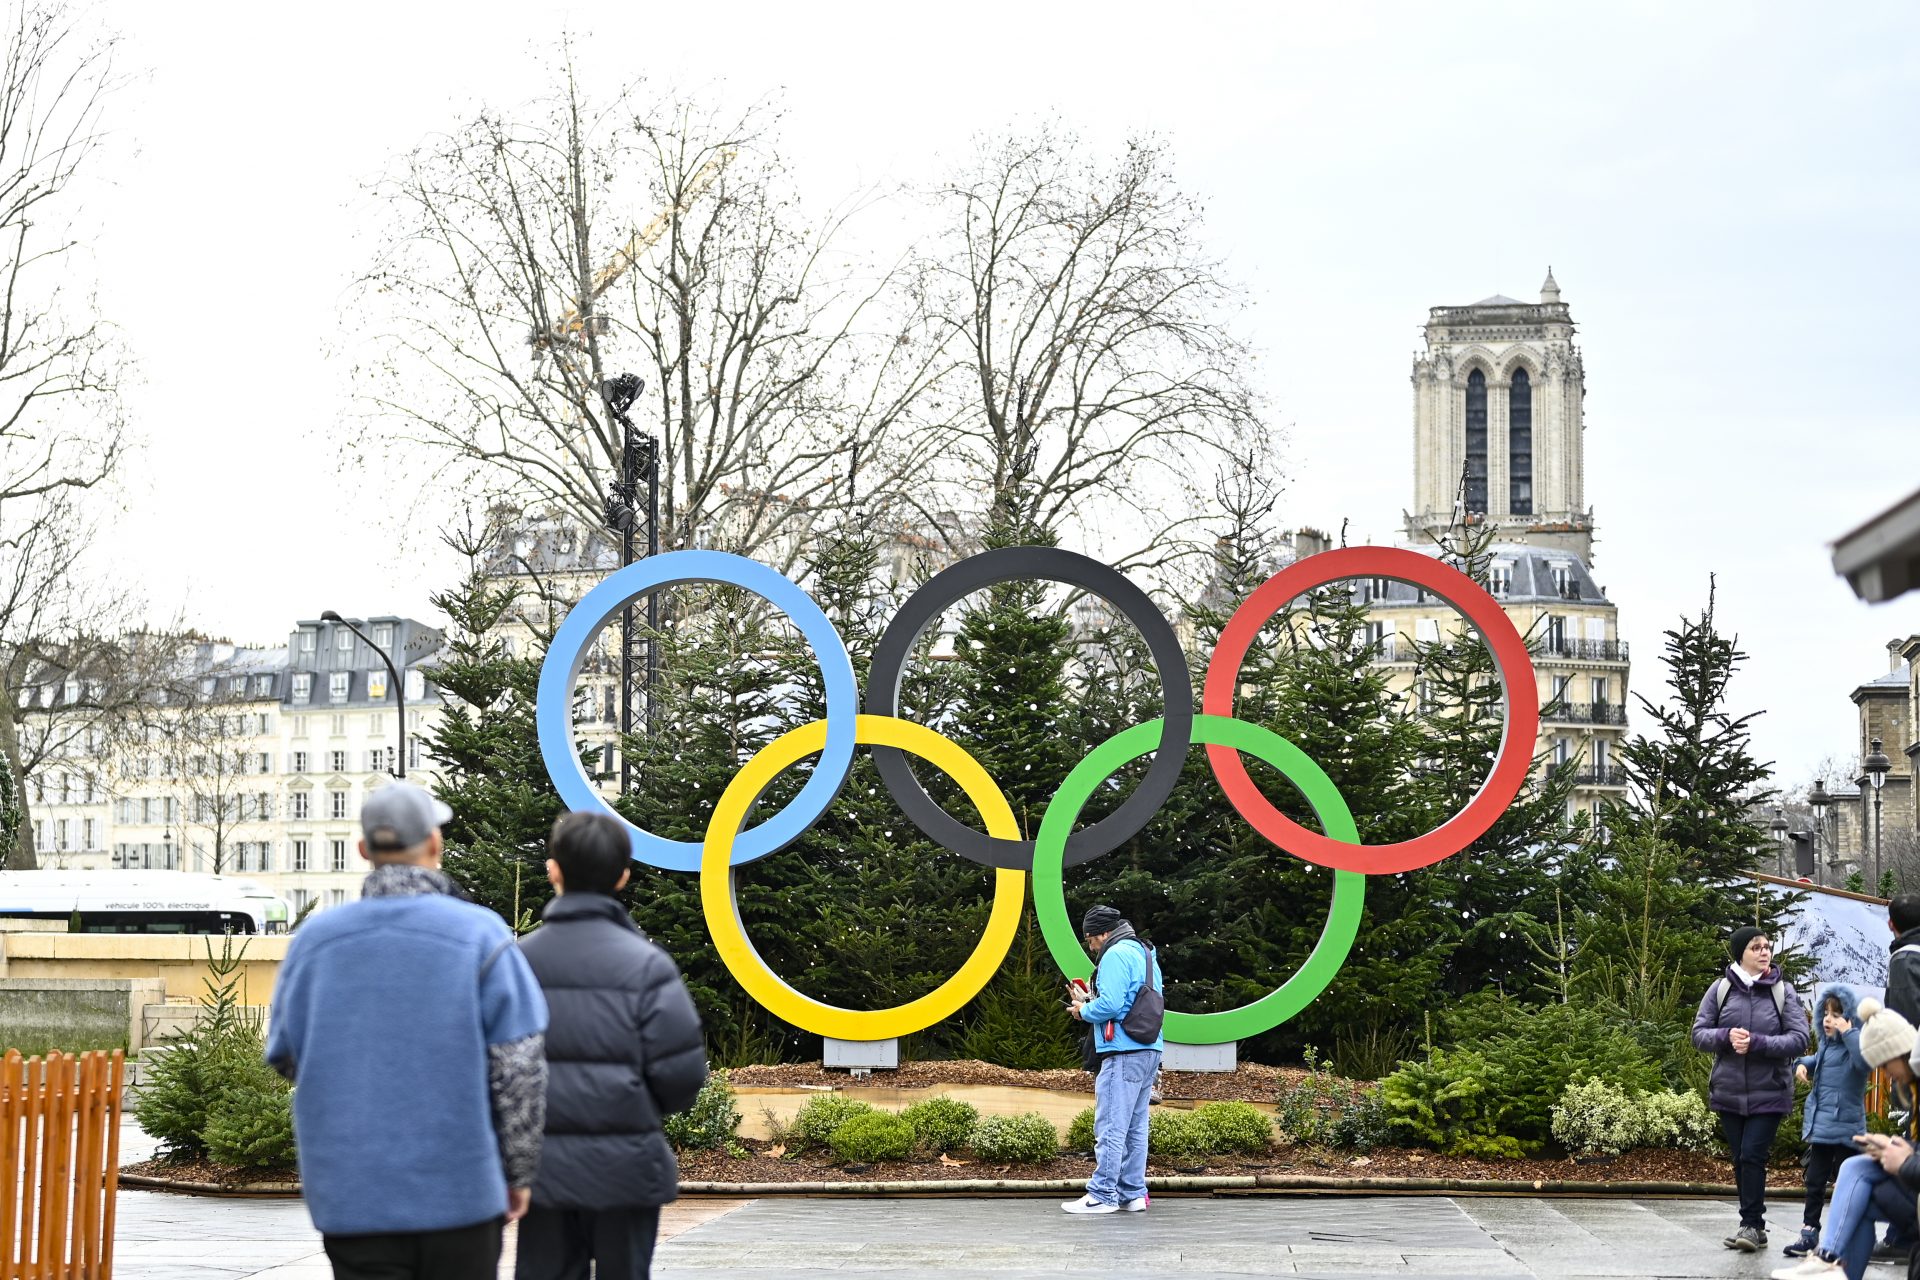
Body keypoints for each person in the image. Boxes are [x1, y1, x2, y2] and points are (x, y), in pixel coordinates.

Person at [266, 782, 549, 1280]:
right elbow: (519, 1070)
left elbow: (287, 1056)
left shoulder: (314, 943)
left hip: (352, 1195)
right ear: (435, 844)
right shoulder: (482, 935)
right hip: (460, 1193)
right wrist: (519, 1172)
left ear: (362, 851)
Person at [514, 812, 709, 1280]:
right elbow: (682, 1078)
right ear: (623, 875)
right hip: (628, 1170)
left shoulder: (516, 962)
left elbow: (491, 1069)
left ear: (553, 870)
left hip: (542, 1172)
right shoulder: (648, 966)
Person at [1770, 999, 1920, 1279]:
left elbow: (1859, 1061)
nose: (1885, 1074)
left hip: (1855, 1137)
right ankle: (1829, 1260)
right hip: (1828, 1131)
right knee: (1851, 1175)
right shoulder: (1912, 1086)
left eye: (1885, 1065)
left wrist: (1906, 1161)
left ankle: (1828, 1258)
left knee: (1854, 1182)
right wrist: (1895, 1147)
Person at [1691, 924, 1810, 1252]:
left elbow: (1800, 1039)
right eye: (1756, 947)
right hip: (1728, 1090)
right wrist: (1724, 1036)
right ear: (1740, 953)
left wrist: (1757, 1043)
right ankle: (1752, 1223)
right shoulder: (1720, 989)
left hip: (1769, 1091)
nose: (1764, 953)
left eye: (1767, 947)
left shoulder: (1782, 992)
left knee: (1752, 1155)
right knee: (1740, 1159)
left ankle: (1751, 1225)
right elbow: (1699, 1033)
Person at [1061, 904, 1164, 1216]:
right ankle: (1133, 1193)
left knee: (1110, 1125)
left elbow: (1111, 1006)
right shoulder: (1145, 954)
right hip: (1149, 1049)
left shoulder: (1115, 954)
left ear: (1104, 933)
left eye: (1092, 940)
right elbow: (1133, 999)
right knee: (1135, 1127)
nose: (1092, 947)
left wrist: (1083, 1010)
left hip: (1123, 1051)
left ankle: (1102, 1194)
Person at [1782, 986, 1869, 1257]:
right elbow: (1815, 1058)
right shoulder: (1827, 1048)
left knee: (1848, 1185)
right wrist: (1802, 1064)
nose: (1829, 1020)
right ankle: (1809, 1231)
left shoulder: (1855, 1047)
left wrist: (1849, 1032)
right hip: (1822, 1128)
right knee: (1815, 1182)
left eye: (1836, 1014)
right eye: (1826, 1014)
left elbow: (1864, 1062)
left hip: (1847, 1130)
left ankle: (1846, 1236)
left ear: (1850, 1018)